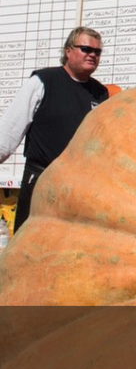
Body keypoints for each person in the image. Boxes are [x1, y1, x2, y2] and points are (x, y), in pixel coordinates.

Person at [0, 27, 109, 233]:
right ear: (68, 51)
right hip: (41, 180)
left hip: (79, 188)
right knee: (30, 247)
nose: (92, 55)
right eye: (86, 49)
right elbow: (9, 131)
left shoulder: (101, 93)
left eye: (97, 52)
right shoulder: (43, 81)